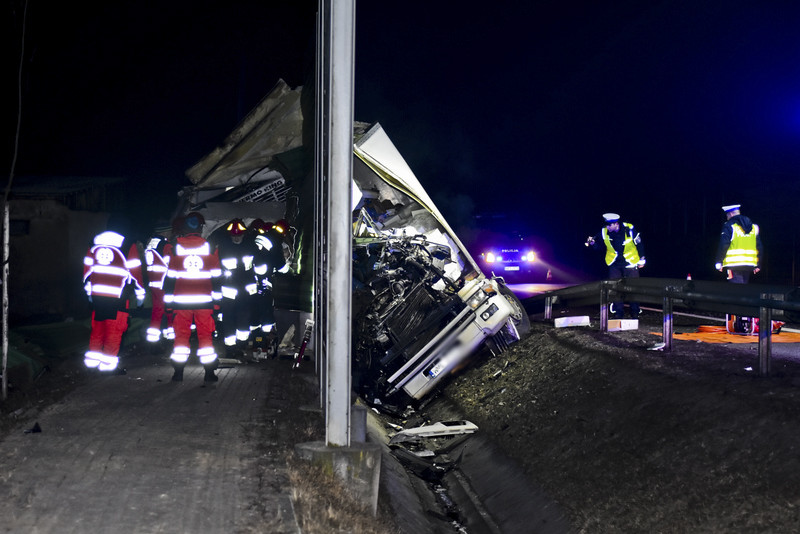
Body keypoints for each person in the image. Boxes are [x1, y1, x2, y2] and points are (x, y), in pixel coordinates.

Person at [163, 212, 222, 382]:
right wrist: (217, 304)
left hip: (181, 303)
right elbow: (217, 278)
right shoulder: (210, 247)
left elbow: (170, 278)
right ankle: (209, 374)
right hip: (205, 303)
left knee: (181, 336)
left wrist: (168, 303)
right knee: (206, 337)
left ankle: (178, 373)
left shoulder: (175, 248)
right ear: (201, 228)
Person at [82, 215, 146, 372]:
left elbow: (86, 271)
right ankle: (108, 367)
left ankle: (92, 364)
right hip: (118, 297)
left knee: (97, 330)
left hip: (97, 297)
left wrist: (89, 293)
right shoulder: (127, 245)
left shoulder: (94, 243)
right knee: (114, 331)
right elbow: (135, 273)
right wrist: (140, 295)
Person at [585, 213, 646, 319]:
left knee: (633, 288)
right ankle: (618, 313)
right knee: (615, 289)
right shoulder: (604, 231)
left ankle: (635, 312)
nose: (607, 227)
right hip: (614, 263)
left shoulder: (629, 228)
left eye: (610, 225)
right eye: (607, 225)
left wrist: (642, 258)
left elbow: (639, 244)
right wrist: (593, 243)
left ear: (616, 224)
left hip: (630, 262)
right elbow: (599, 248)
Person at [216, 218, 258, 359]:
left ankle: (241, 344)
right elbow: (218, 272)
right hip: (230, 291)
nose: (236, 238)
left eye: (238, 235)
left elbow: (256, 267)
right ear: (230, 236)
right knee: (230, 319)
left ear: (244, 234)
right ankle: (230, 347)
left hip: (245, 291)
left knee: (243, 318)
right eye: (234, 236)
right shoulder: (223, 248)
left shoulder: (250, 247)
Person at [248, 219, 278, 357]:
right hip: (264, 290)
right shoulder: (268, 242)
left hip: (255, 291)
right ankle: (263, 342)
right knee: (265, 315)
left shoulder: (249, 242)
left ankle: (259, 343)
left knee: (256, 317)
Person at [715, 204, 762, 284]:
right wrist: (758, 264)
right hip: (749, 264)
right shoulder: (754, 227)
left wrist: (719, 261)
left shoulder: (730, 226)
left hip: (733, 265)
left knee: (735, 291)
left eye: (727, 215)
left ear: (731, 214)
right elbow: (759, 247)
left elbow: (724, 245)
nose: (727, 218)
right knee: (743, 290)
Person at [143, 233, 174, 344]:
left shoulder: (149, 245)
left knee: (157, 310)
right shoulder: (165, 245)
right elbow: (171, 263)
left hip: (153, 283)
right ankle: (169, 337)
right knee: (169, 309)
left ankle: (154, 339)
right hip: (164, 284)